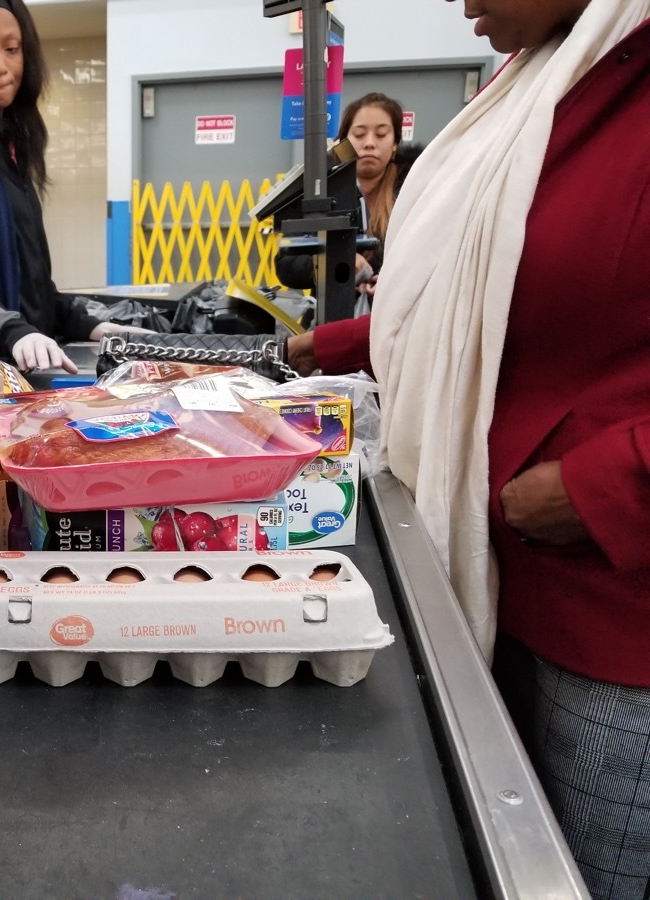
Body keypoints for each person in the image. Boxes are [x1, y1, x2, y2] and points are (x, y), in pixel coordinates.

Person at [286, 1, 650, 895]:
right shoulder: (544, 82)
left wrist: (608, 484)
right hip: (494, 578)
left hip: (609, 615)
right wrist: (313, 354)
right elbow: (465, 300)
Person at [0, 0, 140, 373]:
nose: (0, 67)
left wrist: (86, 323)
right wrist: (13, 331)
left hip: (26, 365)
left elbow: (31, 284)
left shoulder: (10, 145)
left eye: (12, 49)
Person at [274, 92, 422, 304]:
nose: (370, 143)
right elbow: (287, 266)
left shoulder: (417, 190)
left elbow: (433, 258)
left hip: (394, 315)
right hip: (331, 318)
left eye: (381, 135)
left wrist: (396, 282)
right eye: (359, 135)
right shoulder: (318, 190)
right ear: (343, 142)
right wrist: (332, 263)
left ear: (395, 143)